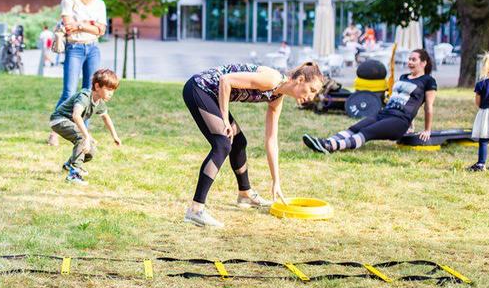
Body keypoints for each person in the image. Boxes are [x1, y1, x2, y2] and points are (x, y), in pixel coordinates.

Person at [182, 61, 324, 227]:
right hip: (199, 88)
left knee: (239, 142)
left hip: (212, 95)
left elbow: (271, 140)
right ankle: (196, 210)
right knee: (222, 144)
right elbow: (225, 81)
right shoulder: (272, 80)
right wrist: (224, 119)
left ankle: (245, 194)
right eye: (312, 90)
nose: (312, 97)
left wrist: (276, 181)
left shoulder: (277, 97)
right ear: (300, 80)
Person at [303, 49, 437, 154]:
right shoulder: (403, 77)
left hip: (399, 121)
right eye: (409, 59)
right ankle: (325, 141)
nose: (410, 62)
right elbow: (406, 100)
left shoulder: (428, 81)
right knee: (354, 128)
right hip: (384, 113)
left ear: (423, 63)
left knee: (367, 132)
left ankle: (330, 146)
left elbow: (428, 107)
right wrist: (411, 126)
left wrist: (427, 130)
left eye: (414, 60)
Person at [47, 0, 107, 146]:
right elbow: (68, 26)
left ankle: (84, 135)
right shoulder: (69, 1)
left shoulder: (99, 4)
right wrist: (89, 24)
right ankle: (55, 132)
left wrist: (80, 24)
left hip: (93, 48)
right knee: (69, 91)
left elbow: (101, 30)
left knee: (89, 93)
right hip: (75, 48)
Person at [49, 68, 122, 185]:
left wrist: (115, 136)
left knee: (91, 151)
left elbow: (106, 117)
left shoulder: (100, 102)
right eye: (108, 89)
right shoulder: (85, 96)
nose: (111, 93)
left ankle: (69, 165)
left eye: (113, 90)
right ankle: (74, 174)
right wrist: (87, 136)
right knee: (83, 139)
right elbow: (76, 115)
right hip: (59, 120)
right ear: (97, 86)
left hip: (70, 123)